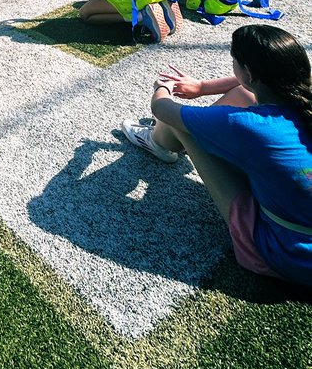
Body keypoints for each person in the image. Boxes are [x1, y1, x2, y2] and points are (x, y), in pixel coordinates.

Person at [120, 25, 312, 286]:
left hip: (283, 250)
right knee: (244, 96)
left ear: (249, 72)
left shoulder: (248, 125)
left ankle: (156, 142)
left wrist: (162, 87)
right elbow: (248, 84)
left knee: (182, 126)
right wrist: (201, 87)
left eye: (234, 61)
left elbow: (162, 108)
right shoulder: (299, 91)